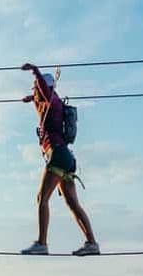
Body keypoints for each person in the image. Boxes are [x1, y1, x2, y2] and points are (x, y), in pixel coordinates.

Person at [20, 62, 100, 256]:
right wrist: (32, 99)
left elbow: (43, 91)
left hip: (57, 155)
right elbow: (42, 101)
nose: (35, 91)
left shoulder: (51, 99)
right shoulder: (52, 102)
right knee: (73, 204)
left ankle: (42, 243)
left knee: (42, 198)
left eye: (36, 89)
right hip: (67, 159)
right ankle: (92, 243)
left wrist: (35, 71)